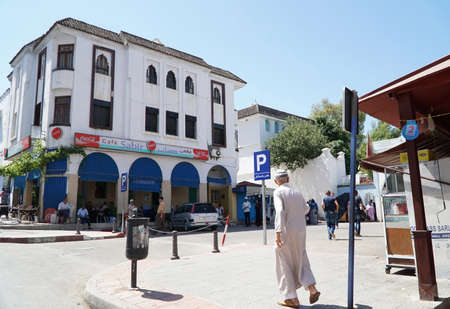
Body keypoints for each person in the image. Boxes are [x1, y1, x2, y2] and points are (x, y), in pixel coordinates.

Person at [273, 170, 320, 307]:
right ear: (287, 179)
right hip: (301, 231)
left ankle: (292, 298)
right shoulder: (297, 192)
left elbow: (280, 211)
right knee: (301, 259)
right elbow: (306, 209)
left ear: (276, 181)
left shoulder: (278, 192)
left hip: (287, 232)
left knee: (284, 263)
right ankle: (312, 288)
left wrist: (278, 232)